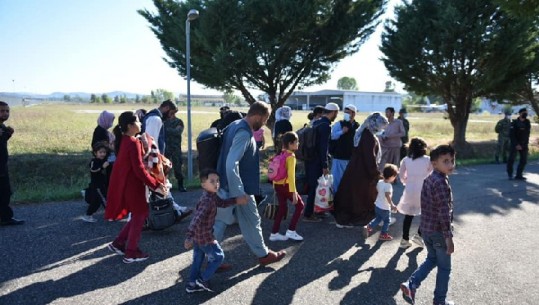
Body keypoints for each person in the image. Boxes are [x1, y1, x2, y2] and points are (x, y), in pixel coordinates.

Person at [213, 101, 286, 266]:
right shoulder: (244, 133)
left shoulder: (234, 124)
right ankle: (210, 259)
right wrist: (238, 192)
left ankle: (263, 254)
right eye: (266, 118)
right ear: (258, 116)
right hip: (235, 189)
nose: (265, 123)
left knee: (251, 220)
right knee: (220, 224)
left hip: (231, 186)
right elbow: (231, 163)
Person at [105, 111, 168, 263]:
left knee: (138, 215)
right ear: (130, 126)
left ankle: (119, 243)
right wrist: (156, 185)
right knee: (140, 214)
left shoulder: (127, 140)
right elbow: (139, 169)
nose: (141, 124)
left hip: (127, 184)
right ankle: (131, 252)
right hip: (133, 185)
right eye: (138, 122)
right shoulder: (133, 142)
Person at [400, 145, 456, 305]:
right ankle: (440, 301)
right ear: (434, 163)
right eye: (445, 161)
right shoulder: (441, 183)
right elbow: (444, 212)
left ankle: (411, 284)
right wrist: (449, 237)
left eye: (452, 160)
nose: (450, 165)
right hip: (439, 232)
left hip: (426, 230)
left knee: (431, 258)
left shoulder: (429, 178)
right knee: (445, 268)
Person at [184, 168, 248, 293]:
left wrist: (236, 201)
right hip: (204, 238)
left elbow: (222, 203)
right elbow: (196, 219)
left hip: (199, 237)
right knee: (219, 256)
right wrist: (189, 236)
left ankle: (191, 284)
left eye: (217, 181)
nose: (216, 184)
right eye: (212, 181)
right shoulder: (207, 201)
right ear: (203, 185)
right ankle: (202, 279)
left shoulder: (211, 196)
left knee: (198, 260)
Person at [333, 112, 388, 228]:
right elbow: (369, 157)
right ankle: (368, 218)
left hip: (356, 168)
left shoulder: (364, 132)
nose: (381, 129)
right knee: (361, 197)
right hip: (362, 171)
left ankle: (345, 219)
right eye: (381, 126)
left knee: (351, 194)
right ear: (375, 124)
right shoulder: (368, 136)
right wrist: (376, 174)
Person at [304, 102, 339, 222]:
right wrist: (325, 165)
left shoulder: (317, 122)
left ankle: (316, 211)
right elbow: (323, 147)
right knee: (315, 187)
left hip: (309, 158)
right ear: (334, 112)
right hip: (317, 161)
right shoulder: (326, 126)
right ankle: (308, 214)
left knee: (315, 186)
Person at [397, 137, 433, 248]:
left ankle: (404, 239)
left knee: (409, 215)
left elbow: (401, 174)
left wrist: (406, 181)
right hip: (424, 190)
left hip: (410, 190)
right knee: (426, 214)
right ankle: (418, 235)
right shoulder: (428, 160)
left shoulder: (406, 160)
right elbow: (431, 173)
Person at [270, 131, 305, 242]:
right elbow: (291, 177)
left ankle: (274, 233)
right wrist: (294, 192)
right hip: (287, 186)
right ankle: (291, 231)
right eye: (296, 142)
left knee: (282, 208)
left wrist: (275, 186)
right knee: (300, 206)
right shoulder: (291, 157)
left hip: (278, 186)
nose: (298, 143)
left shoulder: (280, 153)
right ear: (290, 144)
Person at [0, 101, 24, 226]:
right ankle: (5, 218)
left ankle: (5, 217)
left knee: (5, 192)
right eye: (2, 111)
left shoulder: (3, 127)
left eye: (7, 111)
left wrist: (7, 135)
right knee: (4, 192)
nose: (5, 113)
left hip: (2, 166)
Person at [362, 164, 398, 241]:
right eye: (395, 176)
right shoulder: (388, 186)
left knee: (378, 219)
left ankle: (368, 227)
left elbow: (378, 191)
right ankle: (383, 234)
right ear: (391, 176)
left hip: (377, 205)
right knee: (387, 221)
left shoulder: (380, 182)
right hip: (385, 208)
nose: (395, 178)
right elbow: (387, 195)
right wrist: (392, 205)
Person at [329, 104, 360, 192]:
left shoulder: (357, 126)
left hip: (351, 157)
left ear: (353, 114)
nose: (346, 114)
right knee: (336, 180)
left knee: (349, 179)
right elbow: (332, 136)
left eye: (348, 112)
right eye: (345, 112)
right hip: (339, 156)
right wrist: (342, 132)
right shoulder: (339, 124)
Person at [82, 142, 110, 223]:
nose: (102, 154)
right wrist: (102, 167)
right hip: (97, 185)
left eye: (104, 152)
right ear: (95, 153)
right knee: (104, 199)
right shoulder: (94, 161)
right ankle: (110, 215)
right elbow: (93, 170)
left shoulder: (103, 160)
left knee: (96, 201)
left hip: (101, 184)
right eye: (100, 152)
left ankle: (88, 215)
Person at [164, 111, 187, 192]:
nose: (171, 114)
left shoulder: (178, 122)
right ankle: (164, 185)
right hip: (166, 148)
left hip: (175, 148)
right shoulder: (164, 121)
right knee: (164, 168)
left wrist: (166, 129)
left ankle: (181, 185)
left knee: (178, 167)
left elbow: (177, 132)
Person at [507, 108, 531, 180]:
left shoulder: (527, 122)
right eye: (524, 113)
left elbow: (527, 134)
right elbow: (512, 135)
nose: (525, 114)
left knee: (524, 160)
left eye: (526, 113)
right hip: (515, 144)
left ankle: (519, 175)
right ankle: (510, 174)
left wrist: (524, 144)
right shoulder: (514, 123)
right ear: (520, 113)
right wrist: (517, 144)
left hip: (524, 144)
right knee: (511, 159)